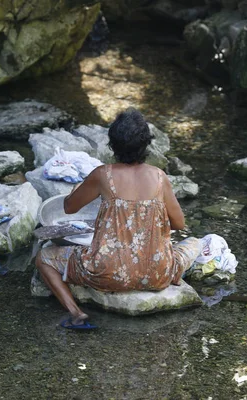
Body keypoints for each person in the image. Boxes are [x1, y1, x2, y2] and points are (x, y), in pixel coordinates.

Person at [36, 108, 201, 329]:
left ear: (113, 144)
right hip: (158, 272)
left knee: (44, 256)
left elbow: (69, 207)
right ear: (146, 145)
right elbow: (180, 224)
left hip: (106, 272)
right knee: (195, 243)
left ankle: (76, 313)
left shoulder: (102, 174)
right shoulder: (160, 177)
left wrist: (77, 187)